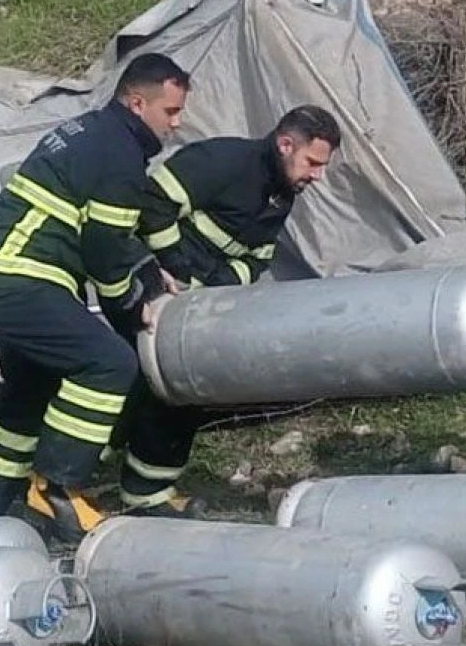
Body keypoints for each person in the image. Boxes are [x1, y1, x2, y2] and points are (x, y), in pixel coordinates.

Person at [0, 52, 189, 542]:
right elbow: (104, 248)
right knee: (108, 364)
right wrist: (132, 301)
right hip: (24, 275)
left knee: (28, 391)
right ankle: (58, 489)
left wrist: (146, 270)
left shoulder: (93, 132)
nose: (177, 123)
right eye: (170, 112)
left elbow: (109, 234)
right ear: (137, 101)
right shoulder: (119, 153)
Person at [111, 106, 341, 516]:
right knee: (121, 382)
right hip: (147, 292)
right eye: (312, 163)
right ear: (285, 144)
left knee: (181, 393)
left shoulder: (281, 193)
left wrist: (214, 288)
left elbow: (257, 257)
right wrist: (175, 269)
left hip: (194, 307)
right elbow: (152, 203)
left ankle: (147, 494)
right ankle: (73, 477)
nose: (317, 176)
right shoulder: (223, 161)